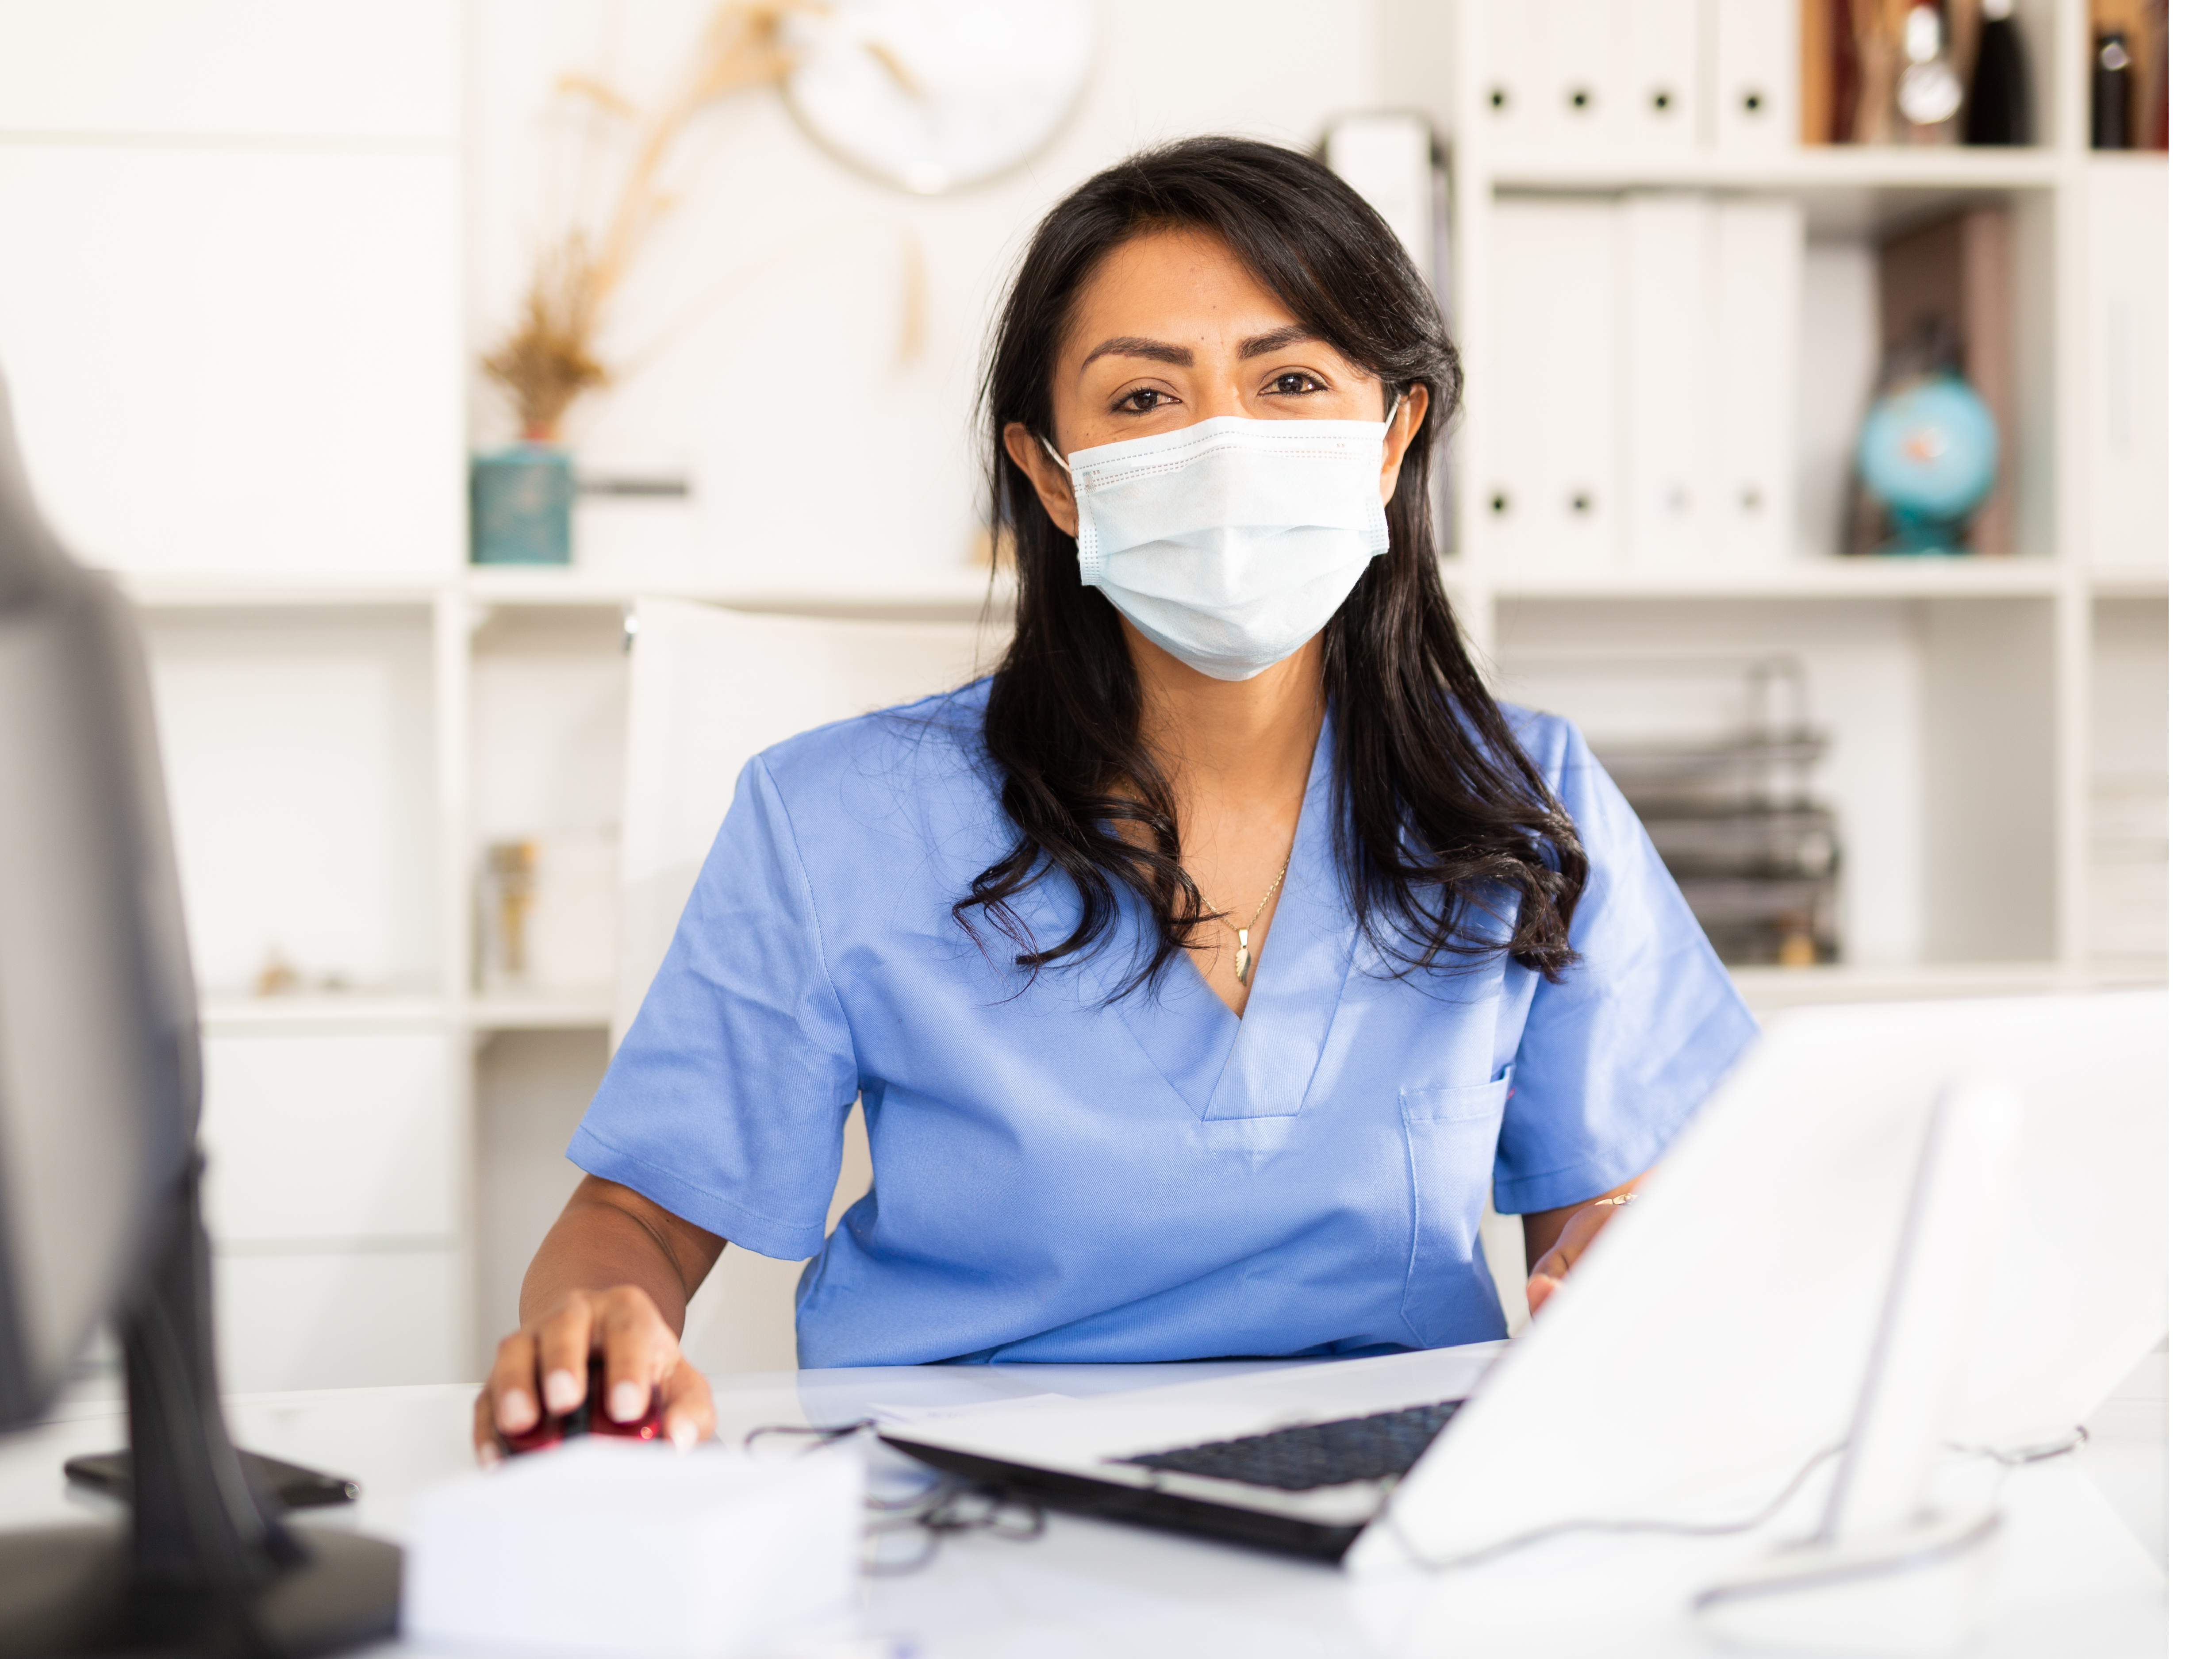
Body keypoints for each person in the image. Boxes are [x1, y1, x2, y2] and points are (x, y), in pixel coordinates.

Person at [474, 136, 1757, 1460]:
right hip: (961, 1508)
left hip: (1385, 1514)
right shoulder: (834, 819)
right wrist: (602, 1327)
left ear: (1392, 440)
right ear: (1049, 475)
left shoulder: (1523, 802)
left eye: (1293, 380)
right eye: (1145, 400)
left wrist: (1640, 1276)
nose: (1224, 444)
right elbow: (637, 1220)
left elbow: (1608, 1231)